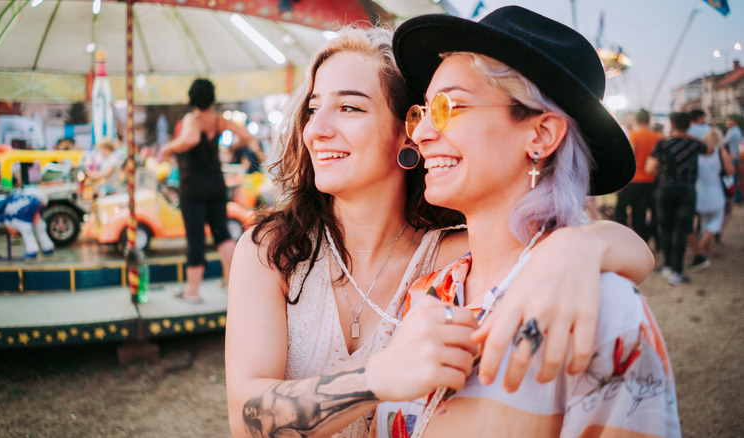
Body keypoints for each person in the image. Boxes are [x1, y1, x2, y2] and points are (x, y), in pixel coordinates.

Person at [225, 24, 654, 438]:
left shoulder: (453, 263)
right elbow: (245, 420)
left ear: (405, 134)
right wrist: (375, 377)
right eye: (313, 108)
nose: (315, 129)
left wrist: (580, 243)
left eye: (350, 107)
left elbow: (602, 251)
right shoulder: (278, 250)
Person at [370, 7, 679, 437]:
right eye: (423, 110)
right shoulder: (427, 293)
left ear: (541, 135)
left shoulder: (599, 309)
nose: (420, 133)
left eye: (450, 106)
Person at [159, 78, 253, 303]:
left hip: (193, 187)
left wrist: (168, 148)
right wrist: (233, 147)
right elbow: (247, 135)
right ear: (212, 98)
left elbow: (190, 139)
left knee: (196, 239)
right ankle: (232, 285)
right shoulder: (218, 121)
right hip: (216, 184)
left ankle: (192, 292)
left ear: (192, 98)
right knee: (223, 234)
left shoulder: (194, 118)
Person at [646, 112, 709, 285]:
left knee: (665, 227)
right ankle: (677, 272)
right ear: (689, 125)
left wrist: (664, 176)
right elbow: (709, 149)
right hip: (687, 190)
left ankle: (667, 265)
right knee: (681, 230)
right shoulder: (694, 144)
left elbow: (650, 168)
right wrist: (689, 136)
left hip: (666, 189)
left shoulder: (663, 144)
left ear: (672, 124)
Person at [688, 128, 735, 268]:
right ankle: (700, 248)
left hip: (700, 192)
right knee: (716, 222)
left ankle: (708, 251)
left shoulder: (697, 153)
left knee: (703, 222)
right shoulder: (720, 152)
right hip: (716, 192)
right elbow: (730, 171)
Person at [614, 109, 661, 244]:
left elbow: (629, 158)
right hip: (649, 181)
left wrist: (620, 181)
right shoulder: (655, 137)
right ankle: (642, 242)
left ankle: (622, 239)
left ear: (637, 120)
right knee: (639, 215)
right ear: (649, 120)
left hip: (633, 180)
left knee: (620, 211)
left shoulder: (634, 135)